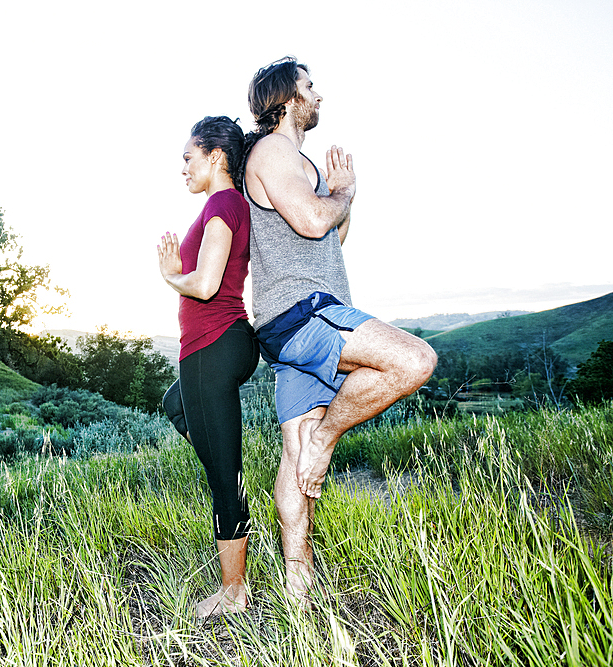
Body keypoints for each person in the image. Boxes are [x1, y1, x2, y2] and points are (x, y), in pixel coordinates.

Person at [243, 57, 437, 605]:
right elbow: (312, 220)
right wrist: (340, 197)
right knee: (413, 360)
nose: (318, 94)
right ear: (284, 97)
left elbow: (330, 236)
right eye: (309, 86)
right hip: (304, 312)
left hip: (296, 321)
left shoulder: (297, 161)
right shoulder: (272, 152)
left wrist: (344, 191)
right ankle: (327, 439)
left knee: (293, 452)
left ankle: (296, 583)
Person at [157, 116, 260, 619]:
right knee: (174, 403)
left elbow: (204, 285)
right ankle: (229, 477)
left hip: (213, 343)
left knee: (223, 474)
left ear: (216, 156)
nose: (183, 169)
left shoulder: (222, 204)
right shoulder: (225, 206)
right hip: (219, 343)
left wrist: (171, 275)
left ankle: (234, 594)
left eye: (188, 157)